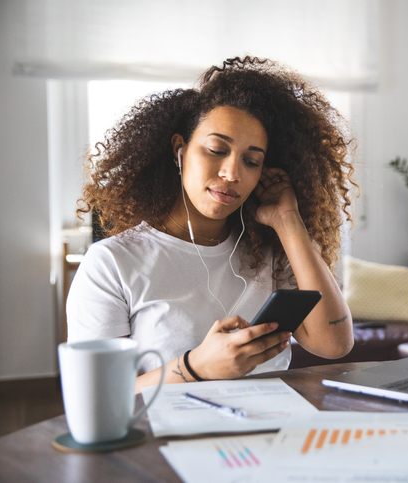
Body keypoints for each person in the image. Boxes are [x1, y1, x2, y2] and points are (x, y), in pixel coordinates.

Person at [67, 56, 356, 393]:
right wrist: (196, 367)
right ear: (180, 150)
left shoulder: (271, 252)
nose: (232, 173)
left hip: (273, 432)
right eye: (217, 149)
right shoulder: (112, 263)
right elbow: (94, 394)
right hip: (165, 438)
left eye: (251, 161)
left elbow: (334, 345)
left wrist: (289, 222)